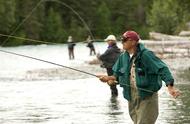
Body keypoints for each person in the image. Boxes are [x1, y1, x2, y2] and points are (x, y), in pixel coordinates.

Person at [97, 31, 180, 124]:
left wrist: (170, 86)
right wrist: (108, 79)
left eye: (124, 40)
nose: (122, 42)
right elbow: (115, 76)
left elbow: (162, 69)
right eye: (121, 40)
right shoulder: (123, 57)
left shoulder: (146, 55)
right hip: (130, 95)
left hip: (147, 95)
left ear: (133, 42)